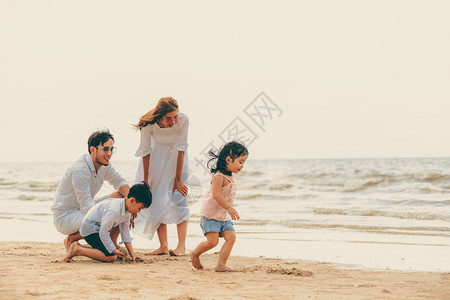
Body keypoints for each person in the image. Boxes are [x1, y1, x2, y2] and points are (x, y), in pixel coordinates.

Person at [51, 129, 130, 251]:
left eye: (111, 149)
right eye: (105, 149)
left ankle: (112, 242)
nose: (109, 153)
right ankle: (72, 239)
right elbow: (87, 207)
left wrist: (130, 204)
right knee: (109, 214)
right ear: (93, 150)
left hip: (83, 211)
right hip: (65, 217)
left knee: (120, 198)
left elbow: (120, 182)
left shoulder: (105, 165)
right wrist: (111, 215)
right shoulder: (80, 170)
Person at [133, 97, 189, 256]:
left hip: (177, 160)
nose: (173, 121)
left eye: (175, 116)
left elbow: (181, 148)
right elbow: (145, 151)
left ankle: (181, 246)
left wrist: (178, 180)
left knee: (180, 197)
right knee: (156, 198)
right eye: (169, 118)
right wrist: (145, 180)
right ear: (160, 116)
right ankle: (163, 246)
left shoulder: (183, 121)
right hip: (155, 161)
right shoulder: (147, 124)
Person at [190, 141, 249, 272]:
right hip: (210, 215)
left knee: (231, 237)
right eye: (240, 162)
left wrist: (227, 210)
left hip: (223, 216)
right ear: (228, 160)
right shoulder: (218, 176)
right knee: (212, 242)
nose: (242, 166)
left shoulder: (230, 177)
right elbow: (216, 195)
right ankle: (194, 254)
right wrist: (229, 208)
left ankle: (221, 265)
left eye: (244, 162)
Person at [64, 181, 152, 262]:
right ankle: (78, 249)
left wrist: (133, 253)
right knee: (111, 257)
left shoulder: (127, 211)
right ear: (132, 200)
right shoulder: (114, 210)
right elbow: (103, 232)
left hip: (98, 230)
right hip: (90, 229)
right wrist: (113, 249)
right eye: (140, 208)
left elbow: (125, 233)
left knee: (109, 252)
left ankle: (81, 247)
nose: (139, 211)